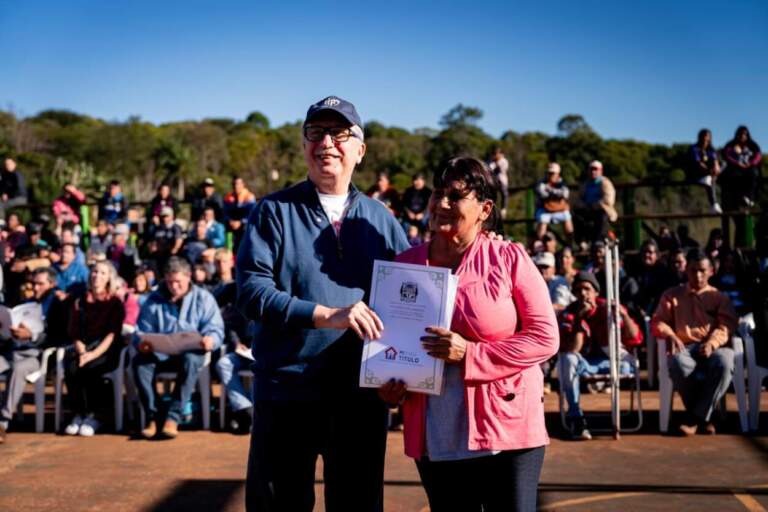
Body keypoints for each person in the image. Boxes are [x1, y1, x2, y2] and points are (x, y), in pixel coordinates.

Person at [236, 95, 410, 512]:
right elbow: (251, 293)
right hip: (286, 391)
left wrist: (402, 373)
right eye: (316, 132)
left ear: (360, 150)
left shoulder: (381, 219)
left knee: (357, 503)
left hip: (359, 398)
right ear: (304, 145)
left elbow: (412, 296)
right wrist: (328, 316)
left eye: (339, 133)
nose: (327, 142)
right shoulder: (273, 211)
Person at [377, 157, 558, 512]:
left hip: (507, 429)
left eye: (455, 196)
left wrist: (471, 355)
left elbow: (544, 336)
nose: (441, 204)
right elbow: (389, 346)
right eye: (438, 193)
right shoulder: (404, 265)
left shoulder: (509, 258)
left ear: (484, 209)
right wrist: (389, 385)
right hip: (436, 433)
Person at [132, 257, 224, 439]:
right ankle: (153, 416)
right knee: (139, 363)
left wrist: (210, 340)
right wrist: (142, 343)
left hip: (192, 353)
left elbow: (216, 328)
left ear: (188, 276)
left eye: (178, 282)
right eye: (170, 282)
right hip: (161, 354)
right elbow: (141, 330)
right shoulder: (153, 299)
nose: (174, 286)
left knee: (191, 360)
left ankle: (173, 417)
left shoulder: (203, 298)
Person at [651, 250, 738, 435]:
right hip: (685, 346)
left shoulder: (719, 297)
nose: (697, 275)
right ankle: (706, 416)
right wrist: (671, 334)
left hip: (714, 348)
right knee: (676, 362)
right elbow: (658, 320)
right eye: (692, 270)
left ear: (711, 271)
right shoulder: (671, 295)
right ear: (686, 271)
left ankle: (694, 417)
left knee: (726, 362)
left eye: (702, 270)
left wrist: (712, 343)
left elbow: (727, 325)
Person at [558, 271, 643, 440]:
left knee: (627, 365)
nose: (583, 293)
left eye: (587, 289)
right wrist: (579, 320)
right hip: (585, 364)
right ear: (574, 293)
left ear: (596, 292)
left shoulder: (608, 309)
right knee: (567, 361)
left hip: (615, 362)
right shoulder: (569, 313)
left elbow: (635, 339)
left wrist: (623, 314)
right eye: (579, 289)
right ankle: (576, 418)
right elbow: (573, 349)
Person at [0, 267, 69, 443]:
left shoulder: (58, 304)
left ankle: (2, 421)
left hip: (38, 355)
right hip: (14, 350)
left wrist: (33, 335)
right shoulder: (29, 303)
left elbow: (59, 335)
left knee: (18, 369)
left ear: (52, 284)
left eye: (40, 284)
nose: (35, 287)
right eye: (33, 283)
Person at [63, 261, 126, 436]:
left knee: (94, 366)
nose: (97, 275)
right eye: (95, 272)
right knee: (72, 365)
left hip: (107, 348)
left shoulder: (114, 303)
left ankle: (97, 415)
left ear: (109, 278)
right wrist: (83, 352)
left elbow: (112, 335)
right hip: (84, 346)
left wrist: (92, 355)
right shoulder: (80, 300)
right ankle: (79, 412)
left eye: (102, 273)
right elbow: (75, 332)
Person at [213, 249, 253, 434]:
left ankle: (253, 414)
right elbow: (223, 320)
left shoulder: (267, 292)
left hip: (263, 349)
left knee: (264, 366)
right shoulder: (231, 290)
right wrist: (236, 342)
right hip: (240, 348)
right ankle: (246, 409)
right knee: (223, 364)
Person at [575, 160, 617, 244]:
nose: (593, 171)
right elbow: (578, 199)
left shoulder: (605, 183)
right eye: (591, 169)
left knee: (601, 217)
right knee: (576, 216)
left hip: (602, 209)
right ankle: (582, 242)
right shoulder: (585, 184)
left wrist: (596, 204)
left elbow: (609, 200)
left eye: (595, 169)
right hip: (587, 209)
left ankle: (599, 241)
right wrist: (583, 205)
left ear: (601, 171)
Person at [721, 125, 762, 209]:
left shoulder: (753, 145)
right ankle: (738, 197)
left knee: (754, 174)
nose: (743, 136)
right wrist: (737, 163)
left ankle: (750, 198)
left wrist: (750, 164)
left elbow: (758, 156)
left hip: (749, 168)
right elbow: (726, 155)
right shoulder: (730, 145)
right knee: (734, 176)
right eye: (741, 134)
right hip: (735, 168)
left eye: (745, 134)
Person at [534, 162, 574, 240]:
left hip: (560, 209)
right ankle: (541, 245)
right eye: (549, 173)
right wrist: (557, 194)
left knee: (567, 217)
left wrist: (550, 191)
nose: (550, 175)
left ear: (558, 174)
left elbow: (565, 194)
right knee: (542, 221)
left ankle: (570, 246)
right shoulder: (541, 183)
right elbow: (542, 194)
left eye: (553, 173)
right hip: (544, 210)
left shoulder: (562, 183)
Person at [688, 129, 722, 213]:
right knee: (710, 180)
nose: (705, 139)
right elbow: (698, 163)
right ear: (700, 137)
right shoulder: (694, 148)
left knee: (723, 164)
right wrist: (709, 171)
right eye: (704, 136)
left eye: (707, 136)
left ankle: (714, 205)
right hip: (697, 173)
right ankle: (714, 204)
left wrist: (716, 169)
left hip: (710, 174)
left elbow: (715, 160)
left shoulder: (711, 149)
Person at [223, 176, 257, 251]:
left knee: (246, 228)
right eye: (234, 184)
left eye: (238, 184)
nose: (236, 186)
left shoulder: (249, 197)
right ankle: (228, 251)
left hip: (244, 223)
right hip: (231, 223)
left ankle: (244, 251)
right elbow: (225, 212)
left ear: (243, 184)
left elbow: (251, 213)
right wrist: (230, 221)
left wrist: (241, 222)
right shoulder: (228, 197)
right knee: (226, 227)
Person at [488, 147, 509, 218]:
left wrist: (497, 163)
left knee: (504, 193)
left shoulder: (504, 161)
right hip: (493, 181)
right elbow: (489, 169)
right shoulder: (491, 162)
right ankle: (492, 210)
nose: (495, 155)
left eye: (496, 154)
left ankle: (503, 209)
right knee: (492, 195)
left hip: (502, 180)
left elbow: (502, 169)